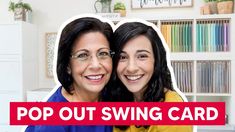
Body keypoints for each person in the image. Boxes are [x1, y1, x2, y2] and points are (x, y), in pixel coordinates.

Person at [25, 16, 114, 132]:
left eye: (103, 53)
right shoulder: (52, 124)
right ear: (67, 66)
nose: (96, 65)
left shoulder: (111, 96)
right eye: (83, 55)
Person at [104, 21, 193, 132]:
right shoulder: (115, 99)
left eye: (142, 56)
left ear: (156, 60)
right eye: (122, 57)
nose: (131, 68)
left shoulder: (173, 108)